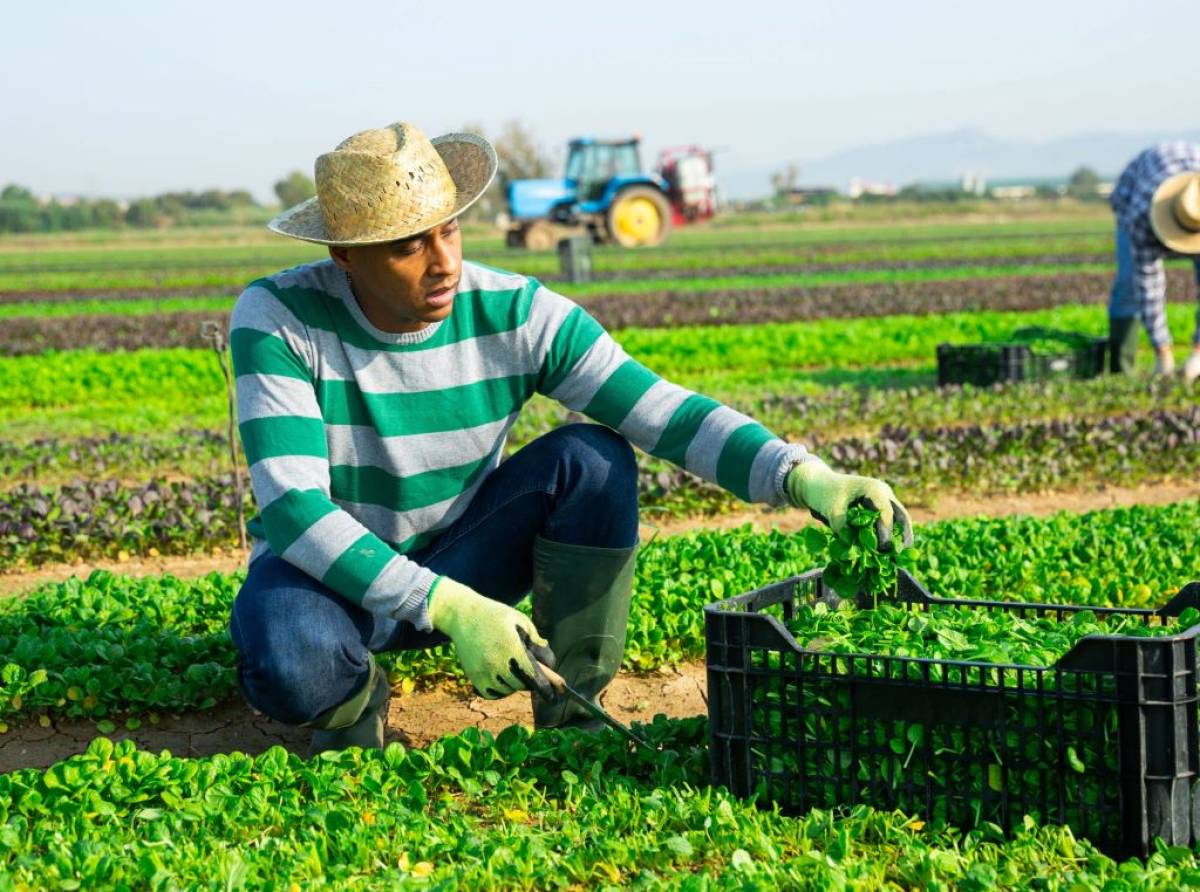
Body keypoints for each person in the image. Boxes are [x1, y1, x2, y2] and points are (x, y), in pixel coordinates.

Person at [226, 121, 912, 756]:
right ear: (345, 254)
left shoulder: (518, 314)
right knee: (289, 658)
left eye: (450, 231)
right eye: (409, 246)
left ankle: (572, 704)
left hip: (463, 554)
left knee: (593, 459)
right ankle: (354, 704)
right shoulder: (281, 318)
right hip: (331, 579)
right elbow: (293, 508)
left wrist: (803, 475)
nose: (442, 263)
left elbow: (663, 413)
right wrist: (448, 607)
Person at [1107, 142, 1200, 383]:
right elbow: (1149, 289)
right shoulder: (1141, 218)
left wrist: (1198, 354)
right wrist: (1163, 353)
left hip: (1187, 174)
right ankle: (1122, 369)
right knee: (1129, 284)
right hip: (1134, 192)